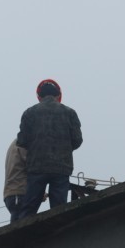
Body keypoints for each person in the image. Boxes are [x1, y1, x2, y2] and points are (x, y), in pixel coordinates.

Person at [17, 79, 82, 219]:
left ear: (39, 96)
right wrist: (64, 150)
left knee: (28, 210)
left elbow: (21, 141)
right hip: (62, 168)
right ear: (58, 95)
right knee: (59, 210)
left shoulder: (29, 113)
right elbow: (77, 140)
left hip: (36, 167)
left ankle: (23, 232)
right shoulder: (70, 113)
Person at [3, 139, 27, 222]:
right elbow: (32, 165)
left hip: (12, 192)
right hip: (18, 191)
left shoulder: (16, 142)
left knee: (20, 221)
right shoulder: (24, 142)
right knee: (20, 223)